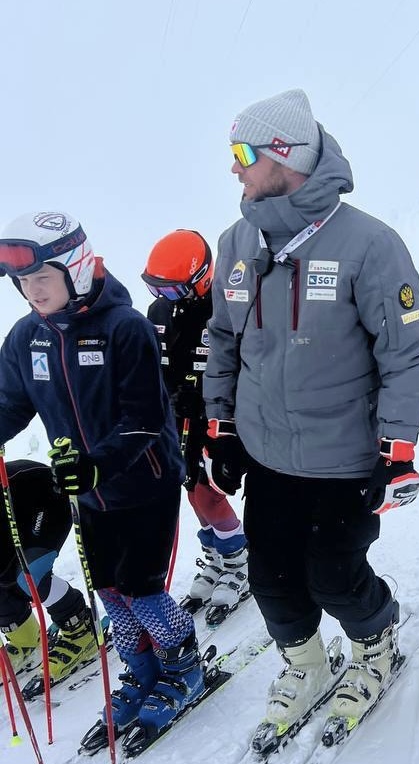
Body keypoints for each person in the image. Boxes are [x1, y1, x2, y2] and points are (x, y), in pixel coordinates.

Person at [208, 88, 419, 739]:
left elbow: (406, 355)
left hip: (343, 456)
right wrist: (221, 426)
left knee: (335, 575)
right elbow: (223, 340)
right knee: (273, 577)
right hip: (267, 452)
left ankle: (375, 645)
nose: (233, 167)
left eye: (243, 153)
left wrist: (398, 452)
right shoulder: (237, 241)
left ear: (286, 156)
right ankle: (305, 665)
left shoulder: (368, 245)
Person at [0, 211, 201, 746]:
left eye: (41, 278)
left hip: (144, 484)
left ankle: (184, 666)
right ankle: (142, 671)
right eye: (23, 282)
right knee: (110, 589)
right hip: (86, 493)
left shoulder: (124, 329)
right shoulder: (26, 338)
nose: (31, 291)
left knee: (142, 588)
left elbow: (145, 418)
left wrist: (98, 463)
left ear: (76, 268)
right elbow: (9, 404)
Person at [142, 229, 249, 627]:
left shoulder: (225, 307)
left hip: (217, 418)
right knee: (189, 488)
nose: (163, 300)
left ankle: (239, 559)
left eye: (171, 290)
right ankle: (218, 555)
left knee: (208, 490)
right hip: (174, 419)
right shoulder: (160, 314)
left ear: (202, 277)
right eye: (157, 289)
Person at [0, 460, 99, 682]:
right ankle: (23, 637)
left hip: (45, 499)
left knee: (30, 577)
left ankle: (80, 630)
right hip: (15, 517)